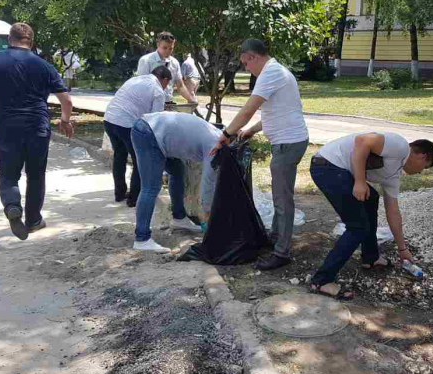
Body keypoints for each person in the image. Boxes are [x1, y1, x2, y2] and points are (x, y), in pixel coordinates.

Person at [0, 22, 74, 240]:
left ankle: (12, 206)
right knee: (36, 175)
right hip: (37, 127)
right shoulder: (43, 65)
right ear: (31, 42)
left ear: (10, 40)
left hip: (6, 127)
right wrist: (65, 121)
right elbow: (66, 99)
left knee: (8, 174)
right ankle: (34, 220)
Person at [212, 38, 309, 270]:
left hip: (288, 144)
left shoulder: (270, 73)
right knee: (279, 195)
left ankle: (281, 253)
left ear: (254, 57)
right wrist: (251, 131)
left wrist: (226, 134)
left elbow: (248, 109)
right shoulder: (277, 71)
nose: (247, 68)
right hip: (289, 141)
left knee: (282, 199)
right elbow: (275, 111)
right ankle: (276, 238)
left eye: (246, 63)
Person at [308, 133, 433, 299]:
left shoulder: (394, 175)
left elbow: (393, 212)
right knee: (357, 227)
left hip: (339, 170)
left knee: (372, 199)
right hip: (326, 166)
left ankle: (371, 257)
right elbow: (363, 141)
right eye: (424, 167)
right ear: (422, 156)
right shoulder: (400, 146)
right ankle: (321, 281)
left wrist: (402, 248)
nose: (420, 172)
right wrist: (360, 181)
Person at [131, 112, 221, 252]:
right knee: (151, 187)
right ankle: (142, 239)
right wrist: (208, 213)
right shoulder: (215, 148)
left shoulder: (219, 134)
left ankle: (179, 218)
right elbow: (208, 182)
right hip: (149, 132)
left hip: (156, 129)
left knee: (177, 171)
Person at [103, 66, 173, 208]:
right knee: (139, 160)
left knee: (119, 156)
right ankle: (134, 198)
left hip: (109, 119)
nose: (167, 87)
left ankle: (119, 193)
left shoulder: (135, 79)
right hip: (126, 124)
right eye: (168, 83)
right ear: (164, 79)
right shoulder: (158, 91)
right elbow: (155, 120)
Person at [136, 31, 197, 105]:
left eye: (171, 48)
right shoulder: (146, 60)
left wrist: (192, 100)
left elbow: (180, 86)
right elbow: (142, 86)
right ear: (158, 45)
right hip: (150, 103)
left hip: (168, 104)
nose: (168, 51)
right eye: (165, 48)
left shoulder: (175, 62)